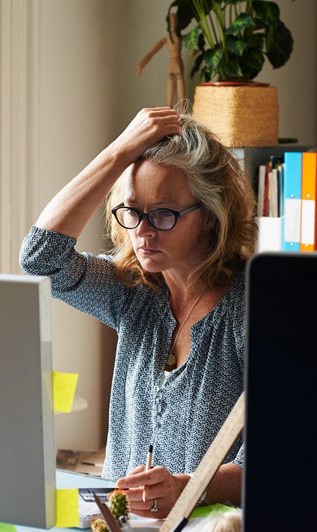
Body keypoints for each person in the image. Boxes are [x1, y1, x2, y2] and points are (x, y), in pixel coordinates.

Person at [19, 107, 257, 517]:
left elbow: (274, 462)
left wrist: (188, 489)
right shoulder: (133, 292)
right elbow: (41, 258)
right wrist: (119, 152)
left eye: (163, 214)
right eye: (131, 211)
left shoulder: (251, 309)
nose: (142, 231)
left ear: (210, 216)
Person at [137, 13, 186, 108]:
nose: (173, 24)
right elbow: (151, 53)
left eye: (174, 21)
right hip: (173, 63)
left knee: (179, 79)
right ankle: (170, 107)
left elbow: (194, 41)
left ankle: (182, 107)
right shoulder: (166, 39)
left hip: (177, 62)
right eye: (171, 22)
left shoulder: (180, 38)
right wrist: (141, 64)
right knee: (172, 79)